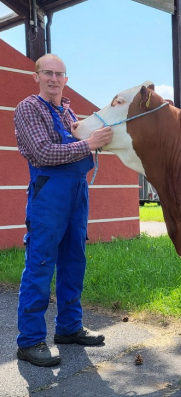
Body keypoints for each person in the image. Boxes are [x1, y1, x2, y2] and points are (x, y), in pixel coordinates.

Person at [13, 54, 113, 367]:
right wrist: (89, 143)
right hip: (49, 195)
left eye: (59, 74)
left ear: (65, 78)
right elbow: (43, 152)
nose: (54, 79)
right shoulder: (28, 108)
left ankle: (69, 327)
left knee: (74, 259)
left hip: (76, 193)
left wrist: (92, 133)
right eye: (48, 73)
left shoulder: (66, 109)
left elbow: (79, 140)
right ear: (37, 76)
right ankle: (29, 341)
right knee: (41, 262)